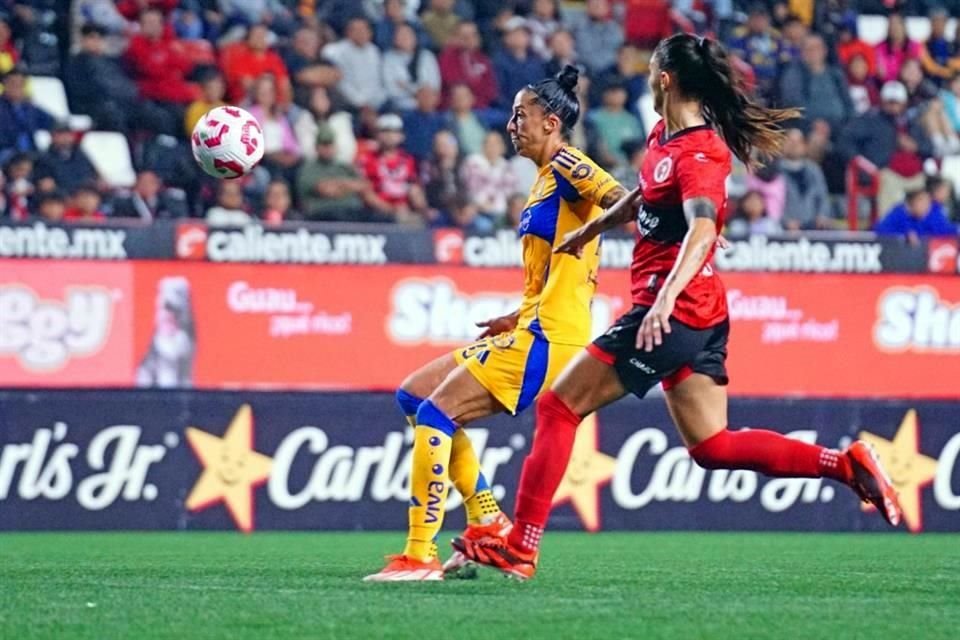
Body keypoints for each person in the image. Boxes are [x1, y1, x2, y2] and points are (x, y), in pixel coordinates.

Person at [453, 34, 904, 581]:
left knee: (558, 409)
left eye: (651, 68)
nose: (645, 74)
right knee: (713, 446)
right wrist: (595, 227)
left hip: (673, 311)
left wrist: (665, 298)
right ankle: (844, 464)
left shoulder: (702, 153)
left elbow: (703, 228)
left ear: (664, 79)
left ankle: (521, 546)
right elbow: (644, 194)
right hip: (700, 315)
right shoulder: (664, 136)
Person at [363, 65, 628, 582]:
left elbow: (624, 199)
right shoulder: (543, 181)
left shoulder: (571, 164)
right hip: (530, 325)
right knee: (414, 397)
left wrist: (598, 229)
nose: (511, 124)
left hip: (549, 337)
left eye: (520, 115)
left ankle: (420, 556)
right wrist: (516, 312)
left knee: (437, 414)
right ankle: (486, 519)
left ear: (551, 122)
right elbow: (557, 268)